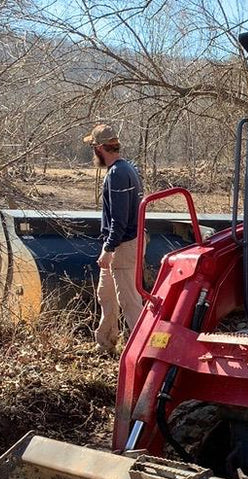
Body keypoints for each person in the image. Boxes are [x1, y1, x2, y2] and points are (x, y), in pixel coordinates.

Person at [83, 123, 145, 352]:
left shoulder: (119, 174)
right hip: (119, 243)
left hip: (123, 245)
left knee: (129, 301)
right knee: (106, 295)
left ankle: (143, 352)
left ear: (99, 148)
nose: (92, 152)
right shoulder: (125, 169)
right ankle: (106, 342)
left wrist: (109, 249)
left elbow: (120, 219)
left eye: (93, 148)